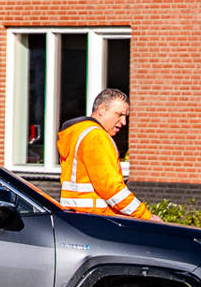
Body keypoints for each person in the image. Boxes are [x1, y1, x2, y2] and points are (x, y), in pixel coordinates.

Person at [58, 87, 162, 222]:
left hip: (76, 218)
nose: (124, 122)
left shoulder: (78, 133)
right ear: (101, 110)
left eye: (126, 117)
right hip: (96, 220)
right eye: (119, 114)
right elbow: (111, 188)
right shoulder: (96, 136)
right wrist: (146, 216)